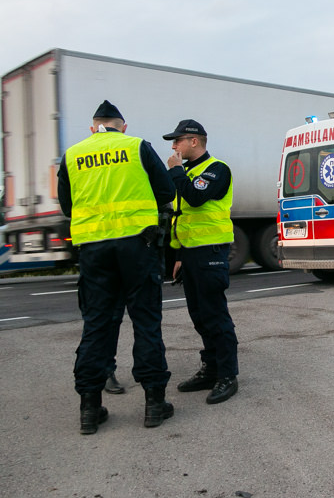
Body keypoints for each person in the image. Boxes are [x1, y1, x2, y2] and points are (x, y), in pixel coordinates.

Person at [57, 100, 175, 434]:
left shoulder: (73, 155)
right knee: (146, 321)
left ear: (93, 128)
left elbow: (67, 206)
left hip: (94, 251)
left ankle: (89, 409)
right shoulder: (137, 146)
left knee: (97, 324)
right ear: (123, 126)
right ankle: (154, 404)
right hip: (139, 246)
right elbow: (165, 190)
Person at [163, 119, 239, 404]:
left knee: (215, 315)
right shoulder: (190, 171)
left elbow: (194, 198)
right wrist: (180, 256)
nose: (173, 146)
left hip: (211, 253)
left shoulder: (216, 169)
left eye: (177, 140)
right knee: (199, 315)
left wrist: (176, 170)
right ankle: (211, 368)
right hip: (192, 254)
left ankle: (228, 375)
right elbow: (184, 218)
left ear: (193, 141)